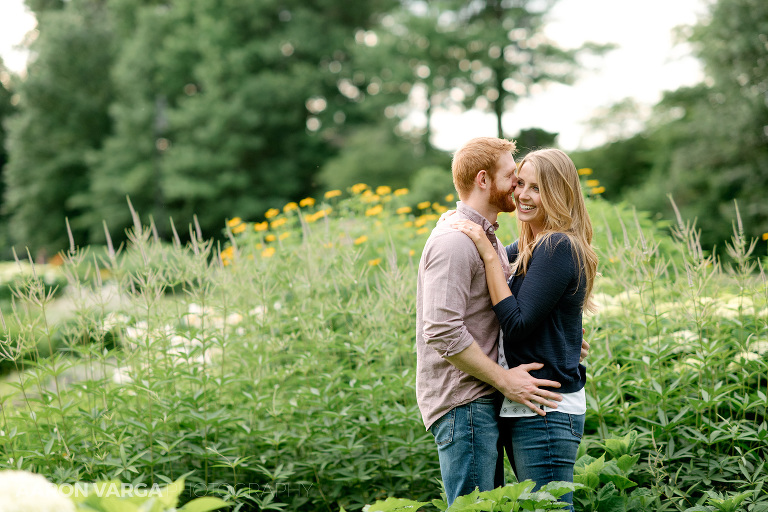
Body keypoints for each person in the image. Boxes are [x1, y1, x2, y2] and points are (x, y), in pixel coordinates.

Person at [416, 137, 567, 506]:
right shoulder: (455, 242)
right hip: (464, 401)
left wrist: (560, 337)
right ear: (483, 180)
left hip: (481, 400)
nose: (517, 186)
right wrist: (504, 379)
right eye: (512, 177)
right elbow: (441, 330)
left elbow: (512, 305)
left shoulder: (485, 238)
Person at [451, 148, 598, 511]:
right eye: (520, 184)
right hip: (529, 405)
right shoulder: (527, 248)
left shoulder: (557, 244)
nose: (523, 196)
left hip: (546, 408)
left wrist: (487, 253)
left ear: (559, 193)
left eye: (537, 188)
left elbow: (516, 323)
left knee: (549, 508)